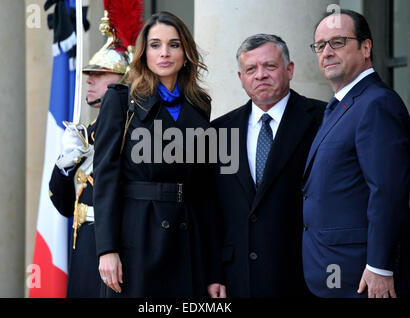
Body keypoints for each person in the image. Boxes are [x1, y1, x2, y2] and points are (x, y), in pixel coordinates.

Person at [93, 11, 215, 298]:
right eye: (155, 45)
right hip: (137, 236)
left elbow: (206, 190)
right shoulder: (121, 101)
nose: (164, 53)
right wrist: (107, 249)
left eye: (174, 45)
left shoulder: (200, 106)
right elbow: (106, 178)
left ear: (186, 52)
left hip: (187, 237)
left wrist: (213, 270)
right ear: (143, 53)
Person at [302, 9, 410, 298]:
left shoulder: (376, 104)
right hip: (332, 271)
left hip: (362, 277)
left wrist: (380, 266)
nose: (326, 52)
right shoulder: (342, 104)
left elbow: (388, 191)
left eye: (337, 42)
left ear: (365, 47)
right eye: (320, 45)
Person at [208, 34, 325, 297]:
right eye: (251, 69)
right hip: (238, 278)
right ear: (241, 78)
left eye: (270, 66)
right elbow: (212, 208)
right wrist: (214, 272)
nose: (260, 75)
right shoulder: (219, 131)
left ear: (289, 69)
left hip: (304, 276)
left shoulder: (322, 120)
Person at [48, 3, 141, 297]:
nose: (89, 78)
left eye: (100, 73)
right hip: (85, 248)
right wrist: (66, 164)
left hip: (121, 250)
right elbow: (64, 206)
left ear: (124, 80)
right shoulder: (85, 135)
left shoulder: (138, 134)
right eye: (89, 72)